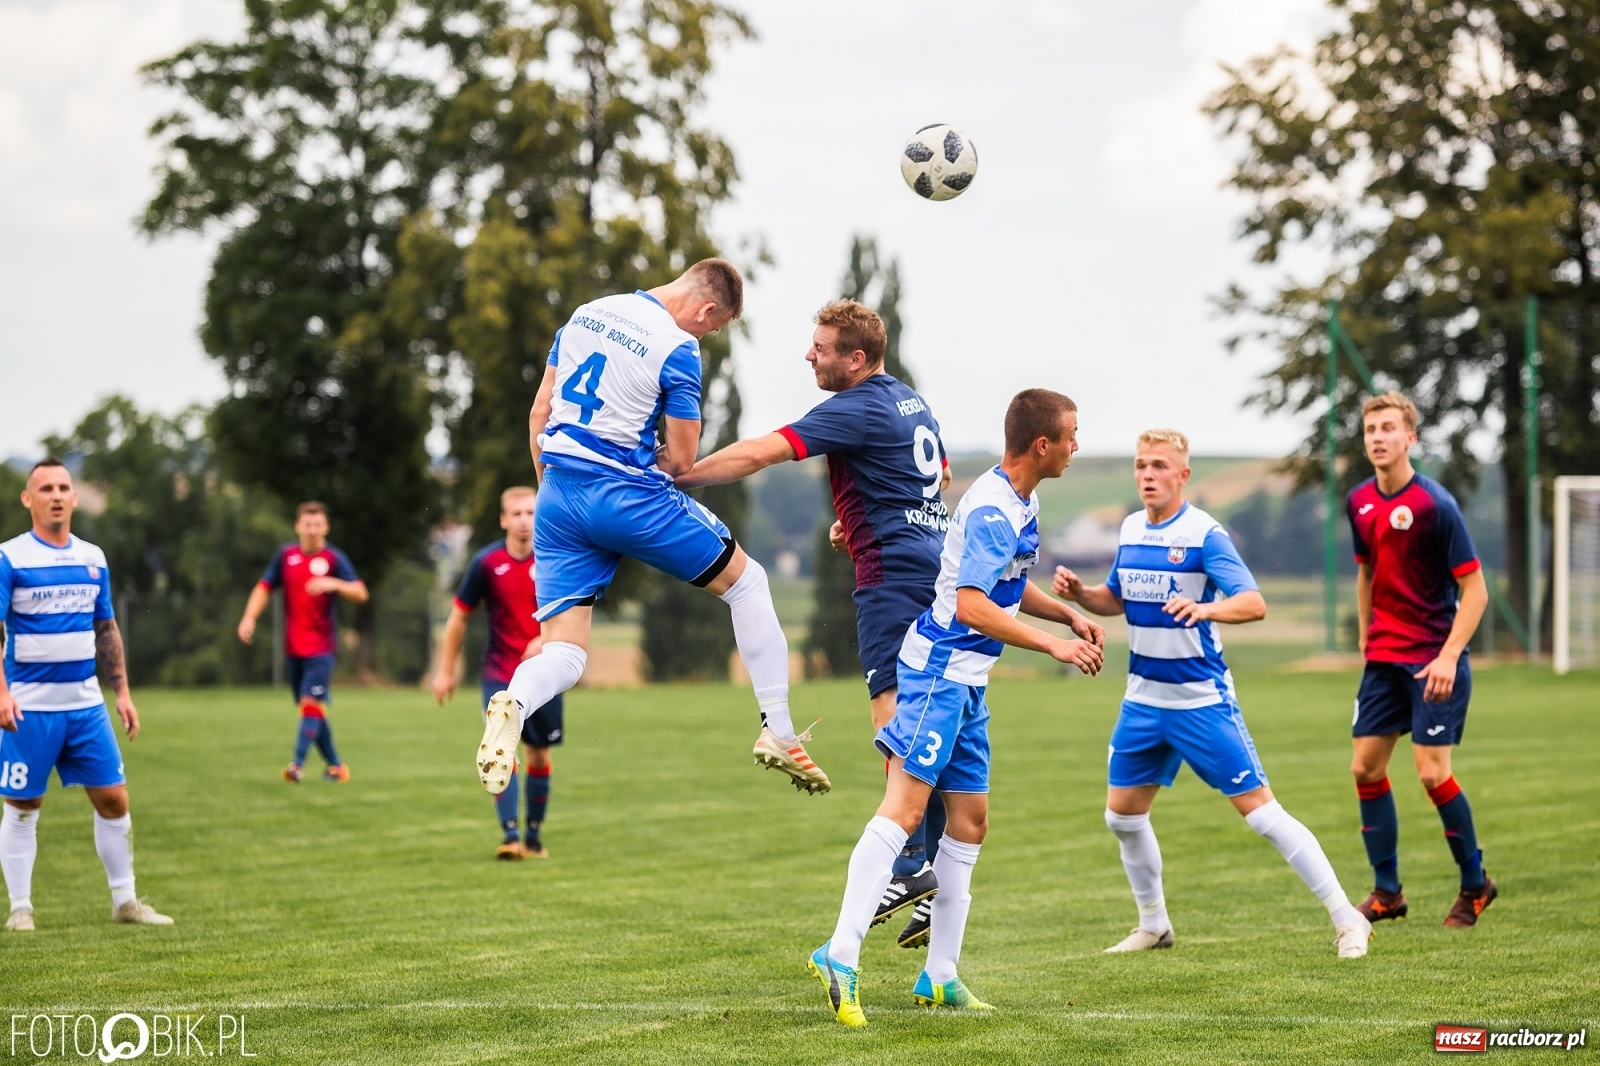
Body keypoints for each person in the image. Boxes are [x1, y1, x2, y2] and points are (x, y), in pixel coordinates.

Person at [807, 389, 1106, 1027]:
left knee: (969, 823)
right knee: (906, 807)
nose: (1079, 446)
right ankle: (840, 952)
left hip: (968, 682)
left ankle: (939, 977)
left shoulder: (1021, 499)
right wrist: (1053, 646)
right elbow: (972, 604)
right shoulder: (997, 508)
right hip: (938, 673)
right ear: (1043, 444)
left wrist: (1066, 613)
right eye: (1073, 435)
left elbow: (1004, 583)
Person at [476, 259, 829, 796]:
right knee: (749, 584)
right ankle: (778, 731)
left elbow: (539, 413)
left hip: (557, 492)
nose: (703, 335)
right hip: (624, 495)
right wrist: (653, 467)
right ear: (707, 309)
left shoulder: (585, 314)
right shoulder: (676, 347)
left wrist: (550, 487)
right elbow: (683, 461)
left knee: (565, 654)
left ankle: (515, 701)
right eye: (710, 327)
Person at [680, 298, 951, 947]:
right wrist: (857, 523)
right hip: (932, 572)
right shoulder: (911, 401)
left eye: (821, 347)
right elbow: (933, 477)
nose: (809, 355)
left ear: (855, 360)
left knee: (893, 718)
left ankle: (910, 862)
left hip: (891, 584)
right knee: (933, 724)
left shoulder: (854, 407)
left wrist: (684, 473)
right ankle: (932, 871)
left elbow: (762, 453)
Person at [1053, 429, 1372, 959]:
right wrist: (1083, 596)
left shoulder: (1205, 535)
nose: (1148, 475)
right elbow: (1119, 598)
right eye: (1140, 465)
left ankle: (1349, 919)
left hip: (1200, 701)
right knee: (1122, 817)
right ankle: (1154, 925)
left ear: (1183, 475)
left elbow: (1252, 603)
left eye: (1159, 465)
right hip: (1143, 700)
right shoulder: (1131, 529)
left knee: (1263, 815)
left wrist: (1205, 608)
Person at [0, 458, 172, 931]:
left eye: (63, 487)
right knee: (22, 806)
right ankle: (21, 908)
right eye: (45, 488)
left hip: (85, 705)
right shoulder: (10, 557)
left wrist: (123, 693)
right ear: (28, 499)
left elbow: (106, 627)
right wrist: (1, 693)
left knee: (115, 800)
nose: (56, 495)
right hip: (29, 706)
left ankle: (126, 903)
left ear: (74, 497)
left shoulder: (93, 558)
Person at [1344, 393, 1493, 927]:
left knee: (1432, 775)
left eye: (1388, 429)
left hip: (1434, 660)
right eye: (1370, 430)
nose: (1377, 438)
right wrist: (1366, 636)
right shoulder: (1359, 500)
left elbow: (1474, 590)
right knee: (1365, 767)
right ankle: (1388, 893)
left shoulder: (1436, 505)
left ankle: (1475, 885)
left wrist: (1451, 656)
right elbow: (1366, 571)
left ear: (1411, 438)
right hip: (1384, 658)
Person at [433, 487, 561, 860]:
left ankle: (533, 836)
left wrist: (544, 640)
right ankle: (510, 836)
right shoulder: (486, 563)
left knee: (537, 754)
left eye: (531, 512)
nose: (525, 520)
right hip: (499, 671)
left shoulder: (555, 557)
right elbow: (458, 616)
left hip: (545, 672)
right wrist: (445, 670)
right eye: (517, 513)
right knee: (500, 748)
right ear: (504, 519)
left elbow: (574, 612)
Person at [237, 502, 369, 783]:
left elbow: (360, 592)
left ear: (326, 527)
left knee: (310, 703)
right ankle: (337, 767)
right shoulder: (286, 556)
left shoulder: (334, 559)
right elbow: (264, 587)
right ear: (298, 526)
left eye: (318, 524)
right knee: (312, 709)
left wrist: (335, 584)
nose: (312, 530)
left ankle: (296, 765)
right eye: (307, 524)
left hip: (321, 648)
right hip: (294, 647)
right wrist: (249, 618)